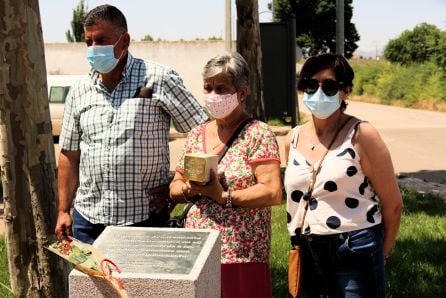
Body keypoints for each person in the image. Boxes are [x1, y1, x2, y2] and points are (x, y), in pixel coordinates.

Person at [54, 4, 208, 244]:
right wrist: (64, 210)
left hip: (144, 219)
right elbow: (69, 154)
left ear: (124, 41)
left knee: (139, 284)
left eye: (102, 41)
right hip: (89, 221)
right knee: (91, 283)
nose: (94, 49)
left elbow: (204, 133)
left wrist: (178, 183)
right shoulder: (79, 90)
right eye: (88, 42)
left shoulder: (159, 78)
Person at [284, 53, 403, 297]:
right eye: (310, 84)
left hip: (355, 245)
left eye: (329, 85)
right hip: (308, 249)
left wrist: (381, 253)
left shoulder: (362, 135)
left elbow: (393, 205)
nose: (318, 92)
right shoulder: (292, 139)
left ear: (345, 90)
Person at [169, 52, 282, 298]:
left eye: (221, 89)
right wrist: (189, 189)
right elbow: (175, 185)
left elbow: (272, 191)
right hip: (197, 253)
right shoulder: (197, 134)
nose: (213, 96)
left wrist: (223, 196)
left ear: (242, 92)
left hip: (241, 254)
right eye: (208, 88)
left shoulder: (257, 134)